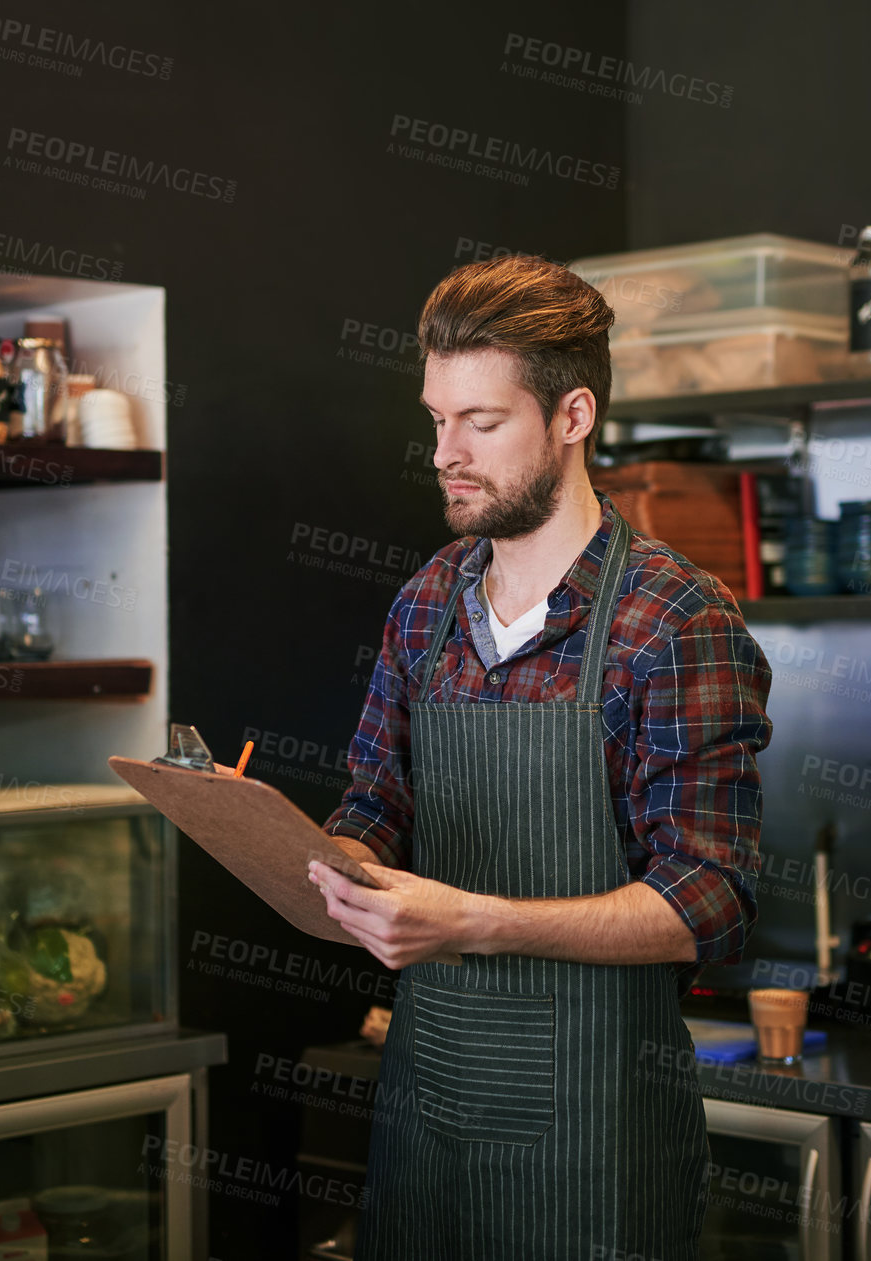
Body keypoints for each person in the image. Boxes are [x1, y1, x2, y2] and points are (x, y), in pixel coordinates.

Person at [309, 255, 773, 1260]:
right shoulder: (428, 601)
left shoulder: (674, 619)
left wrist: (473, 920)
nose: (446, 453)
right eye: (437, 420)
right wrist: (330, 861)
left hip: (597, 1139)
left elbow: (712, 896)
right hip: (425, 1113)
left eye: (482, 422)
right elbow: (378, 798)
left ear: (572, 417)